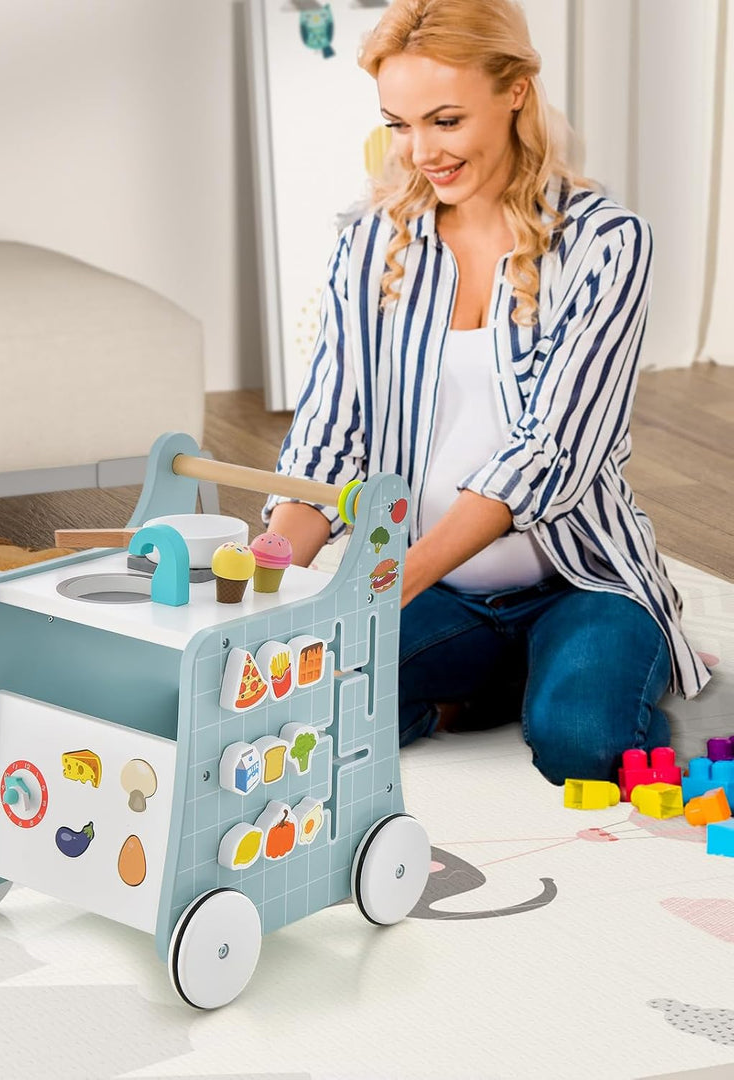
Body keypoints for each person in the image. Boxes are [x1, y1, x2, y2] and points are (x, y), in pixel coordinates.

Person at [264, 0, 710, 785]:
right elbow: (330, 440)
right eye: (399, 125)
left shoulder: (606, 243)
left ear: (515, 92)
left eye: (444, 120)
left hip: (578, 578)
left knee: (580, 747)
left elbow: (548, 453)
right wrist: (265, 585)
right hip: (438, 585)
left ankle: (577, 665)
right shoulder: (370, 244)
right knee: (297, 701)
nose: (420, 151)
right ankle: (495, 677)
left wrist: (392, 583)